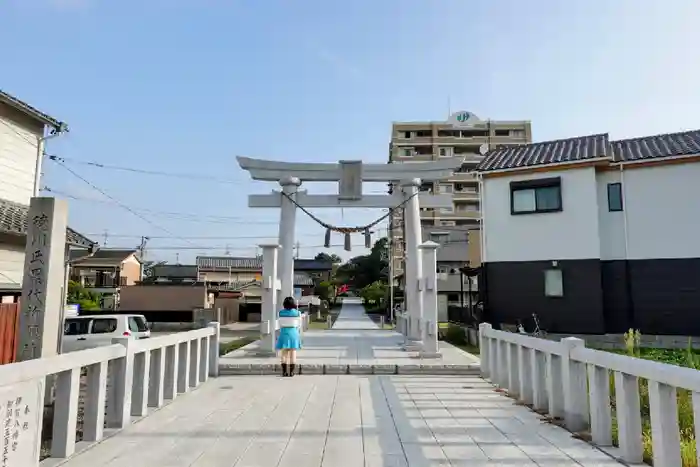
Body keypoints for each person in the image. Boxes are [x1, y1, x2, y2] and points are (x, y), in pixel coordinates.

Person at [276, 296, 302, 377]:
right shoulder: (298, 313)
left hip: (284, 332)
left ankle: (284, 372)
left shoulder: (280, 313)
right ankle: (291, 372)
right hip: (294, 332)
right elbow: (299, 325)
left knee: (284, 352)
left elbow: (279, 324)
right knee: (293, 352)